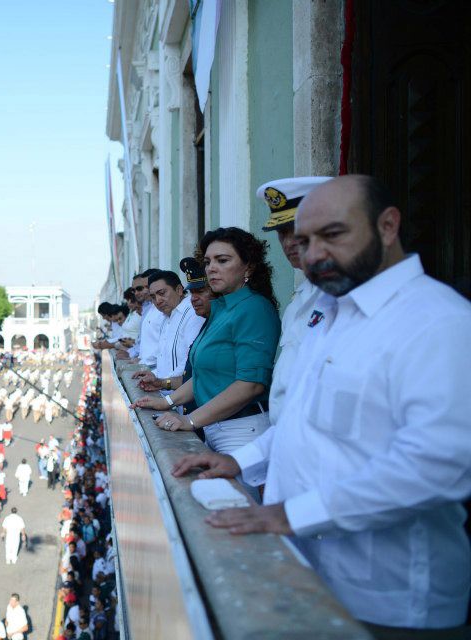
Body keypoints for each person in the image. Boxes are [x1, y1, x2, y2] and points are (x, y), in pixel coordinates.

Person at [172, 175, 471, 634]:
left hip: (387, 596)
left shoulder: (437, 322)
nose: (312, 254)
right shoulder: (326, 313)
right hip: (307, 566)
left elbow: (437, 467)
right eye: (303, 240)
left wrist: (292, 514)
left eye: (333, 234)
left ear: (387, 225)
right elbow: (301, 422)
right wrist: (240, 460)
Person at [133, 228, 281, 463]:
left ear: (249, 267)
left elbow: (251, 385)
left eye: (222, 260)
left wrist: (190, 420)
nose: (211, 268)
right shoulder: (221, 309)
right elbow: (203, 375)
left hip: (242, 431)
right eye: (208, 261)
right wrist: (166, 402)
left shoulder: (254, 308)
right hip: (215, 426)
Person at [255, 176, 331, 425]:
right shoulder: (298, 300)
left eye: (296, 230)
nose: (288, 242)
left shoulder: (344, 298)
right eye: (281, 233)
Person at [131, 270, 205, 392]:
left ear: (179, 290)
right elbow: (165, 361)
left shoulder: (192, 313)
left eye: (162, 293)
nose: (158, 301)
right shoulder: (167, 316)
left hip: (184, 395)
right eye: (153, 297)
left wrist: (162, 383)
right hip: (169, 392)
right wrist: (154, 376)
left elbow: (189, 365)